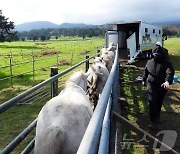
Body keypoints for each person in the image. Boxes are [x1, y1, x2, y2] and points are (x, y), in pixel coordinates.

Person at [142, 42, 174, 129]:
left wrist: (167, 81)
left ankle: (157, 117)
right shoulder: (149, 62)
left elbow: (170, 73)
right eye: (154, 54)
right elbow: (146, 71)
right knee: (152, 101)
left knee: (159, 102)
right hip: (151, 85)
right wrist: (144, 79)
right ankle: (153, 121)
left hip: (162, 86)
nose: (156, 56)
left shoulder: (167, 64)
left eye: (158, 55)